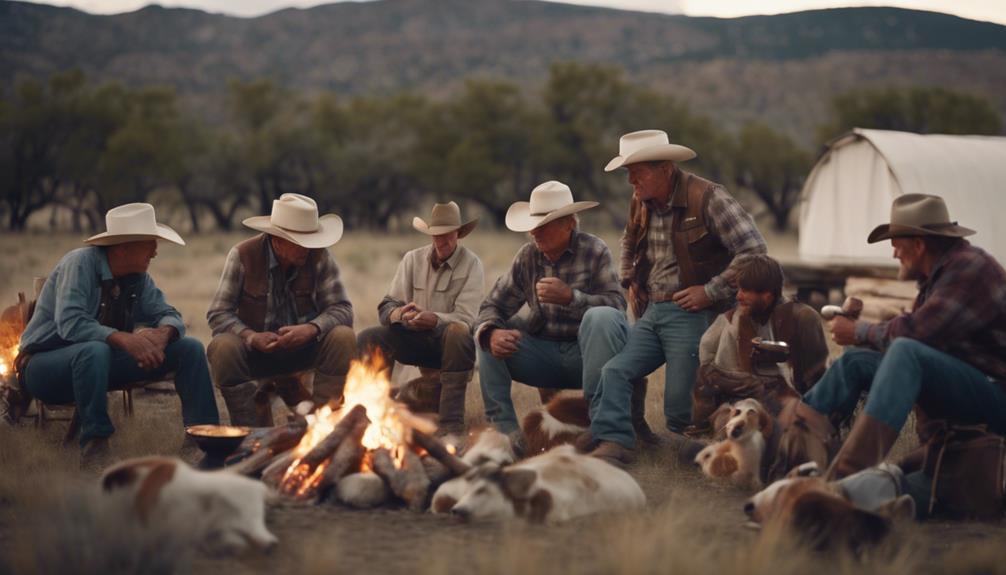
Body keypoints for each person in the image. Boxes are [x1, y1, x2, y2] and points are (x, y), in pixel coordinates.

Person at [587, 130, 767, 465]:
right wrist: (629, 279)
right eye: (628, 172)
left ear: (666, 168)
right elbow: (629, 239)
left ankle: (708, 454)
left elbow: (755, 250)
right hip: (653, 311)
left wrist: (710, 291)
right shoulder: (641, 199)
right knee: (614, 372)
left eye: (637, 171)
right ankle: (615, 444)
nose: (631, 181)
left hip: (691, 312)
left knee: (678, 411)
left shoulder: (708, 197)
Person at [802, 193, 1006, 480]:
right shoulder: (941, 274)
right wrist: (866, 335)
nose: (894, 255)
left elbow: (916, 335)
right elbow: (921, 332)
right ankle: (797, 444)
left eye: (897, 247)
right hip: (969, 382)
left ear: (919, 246)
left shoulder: (970, 269)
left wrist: (858, 331)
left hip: (995, 398)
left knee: (905, 351)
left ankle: (848, 477)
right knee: (855, 361)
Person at [16, 203, 219, 464]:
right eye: (150, 244)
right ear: (124, 248)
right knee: (94, 349)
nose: (155, 252)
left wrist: (164, 333)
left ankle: (203, 440)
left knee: (189, 348)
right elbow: (71, 323)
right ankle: (95, 448)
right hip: (45, 368)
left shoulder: (137, 278)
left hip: (102, 364)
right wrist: (126, 339)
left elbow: (169, 313)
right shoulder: (79, 264)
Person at [475, 181, 626, 450]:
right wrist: (492, 333)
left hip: (588, 356)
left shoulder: (595, 250)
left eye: (543, 224)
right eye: (533, 224)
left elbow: (617, 306)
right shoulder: (528, 257)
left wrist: (572, 298)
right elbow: (492, 305)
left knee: (601, 318)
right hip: (544, 353)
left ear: (569, 224)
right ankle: (505, 436)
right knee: (487, 334)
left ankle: (602, 429)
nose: (534, 232)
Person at [206, 193, 355, 426]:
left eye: (310, 240)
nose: (308, 248)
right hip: (255, 353)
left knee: (343, 336)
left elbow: (343, 309)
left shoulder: (320, 256)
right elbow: (218, 314)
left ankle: (324, 421)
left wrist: (311, 329)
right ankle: (251, 428)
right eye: (300, 242)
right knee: (222, 347)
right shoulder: (243, 255)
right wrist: (251, 337)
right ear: (277, 240)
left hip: (305, 349)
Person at [357, 201, 484, 434]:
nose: (441, 241)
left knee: (458, 332)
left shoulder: (472, 264)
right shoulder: (411, 259)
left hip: (450, 346)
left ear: (459, 234)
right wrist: (401, 315)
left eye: (447, 235)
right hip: (414, 338)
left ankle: (451, 426)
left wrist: (434, 320)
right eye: (436, 235)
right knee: (368, 337)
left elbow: (467, 319)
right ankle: (375, 414)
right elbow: (386, 307)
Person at [690, 254, 828, 429]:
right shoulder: (731, 319)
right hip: (738, 402)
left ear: (768, 295)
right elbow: (707, 356)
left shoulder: (801, 318)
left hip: (790, 401)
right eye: (739, 289)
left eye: (746, 291)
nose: (739, 296)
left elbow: (815, 377)